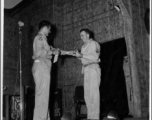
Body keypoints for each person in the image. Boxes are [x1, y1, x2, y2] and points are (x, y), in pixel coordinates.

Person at [32, 20, 60, 120]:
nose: (49, 31)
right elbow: (38, 52)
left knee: (44, 97)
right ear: (45, 27)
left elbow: (50, 50)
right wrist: (51, 52)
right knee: (42, 98)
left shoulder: (44, 40)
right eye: (49, 29)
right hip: (41, 66)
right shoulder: (39, 38)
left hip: (43, 67)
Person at [73, 28, 101, 120]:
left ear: (88, 35)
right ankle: (90, 117)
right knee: (87, 96)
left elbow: (95, 57)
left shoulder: (94, 44)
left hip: (93, 69)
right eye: (80, 36)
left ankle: (95, 118)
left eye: (82, 35)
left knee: (94, 95)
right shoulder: (83, 46)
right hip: (86, 70)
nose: (81, 38)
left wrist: (81, 55)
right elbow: (84, 59)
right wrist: (78, 56)